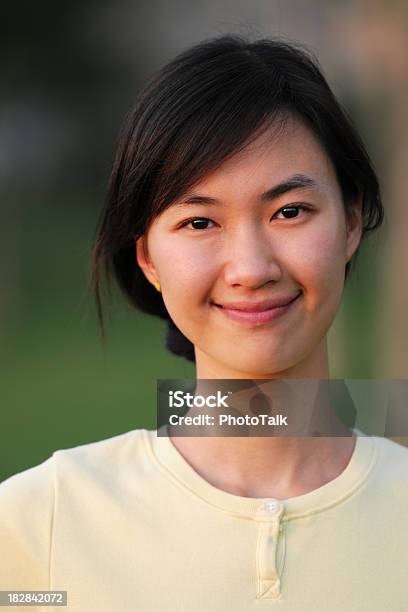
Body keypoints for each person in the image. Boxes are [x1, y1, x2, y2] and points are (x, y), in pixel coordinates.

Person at [1, 35, 407, 611]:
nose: (250, 269)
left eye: (289, 212)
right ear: (147, 258)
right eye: (198, 222)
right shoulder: (42, 519)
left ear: (350, 223)